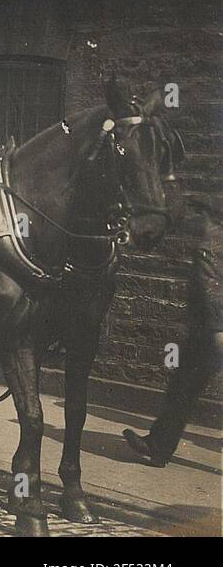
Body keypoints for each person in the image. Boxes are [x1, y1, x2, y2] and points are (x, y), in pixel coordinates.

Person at [124, 197, 223, 466]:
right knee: (183, 385)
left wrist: (216, 328)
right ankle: (158, 445)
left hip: (213, 331)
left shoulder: (212, 239)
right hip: (207, 330)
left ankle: (158, 445)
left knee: (184, 385)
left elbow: (211, 284)